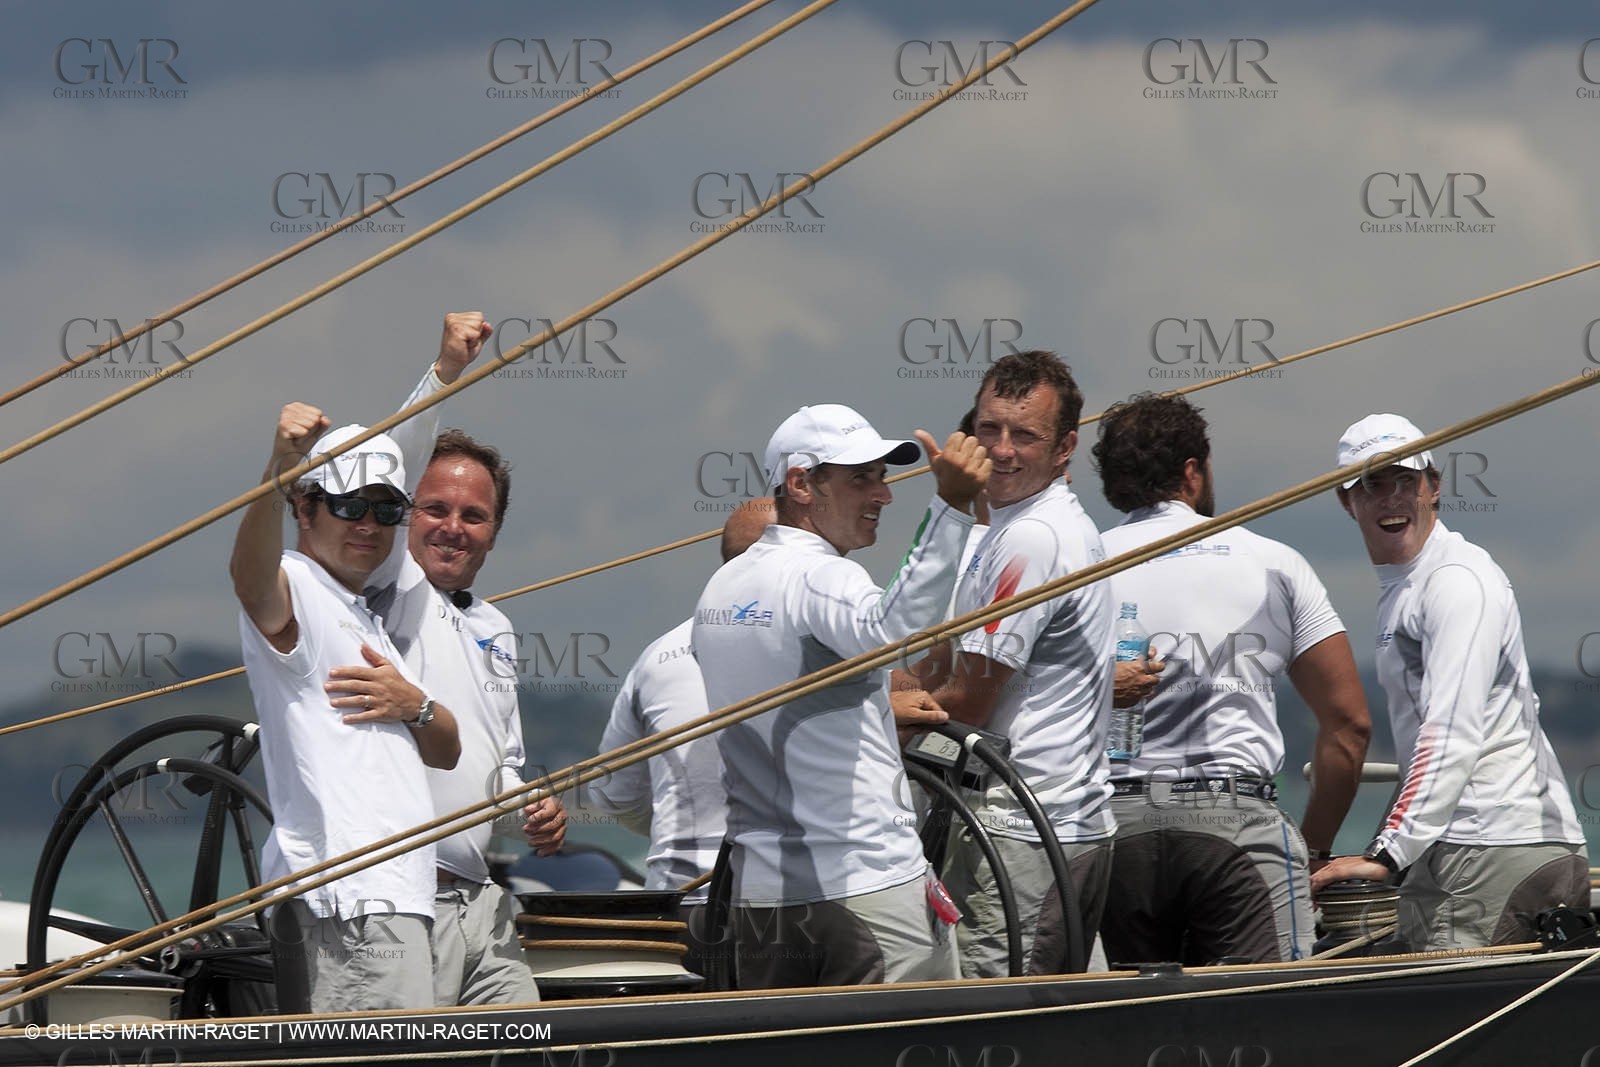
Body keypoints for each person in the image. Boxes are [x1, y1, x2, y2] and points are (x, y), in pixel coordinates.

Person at [693, 403, 989, 988]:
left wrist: (873, 707)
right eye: (862, 478)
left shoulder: (720, 589)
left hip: (763, 905)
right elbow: (897, 629)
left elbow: (791, 693)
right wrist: (950, 506)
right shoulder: (822, 576)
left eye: (881, 476)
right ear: (801, 484)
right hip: (867, 889)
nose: (882, 495)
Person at [1091, 392, 1371, 964]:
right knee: (1269, 1016)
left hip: (1112, 827)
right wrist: (1313, 849)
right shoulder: (1273, 562)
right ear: (1193, 472)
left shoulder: (1079, 564)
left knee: (1122, 1023)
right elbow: (1349, 727)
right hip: (1235, 822)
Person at [1311, 414, 1589, 949]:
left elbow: (1452, 732)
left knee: (1462, 1027)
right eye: (1371, 484)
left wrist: (1386, 854)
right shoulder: (1411, 585)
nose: (1390, 497)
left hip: (1486, 847)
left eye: (1404, 480)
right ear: (1347, 501)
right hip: (1504, 843)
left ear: (1434, 488)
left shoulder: (1455, 581)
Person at [361, 311, 568, 1006]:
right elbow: (394, 457)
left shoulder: (497, 627)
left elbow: (500, 763)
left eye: (473, 516)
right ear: (403, 517)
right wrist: (445, 370)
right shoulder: (390, 587)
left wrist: (531, 806)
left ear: (494, 534)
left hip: (482, 905)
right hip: (399, 903)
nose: (453, 526)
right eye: (434, 508)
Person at [231, 408, 461, 1014]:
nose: (369, 524)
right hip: (351, 899)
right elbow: (249, 578)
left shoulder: (368, 619)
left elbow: (447, 749)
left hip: (402, 897)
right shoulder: (294, 582)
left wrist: (417, 707)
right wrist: (278, 463)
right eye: (349, 505)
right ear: (303, 510)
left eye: (387, 510)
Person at [904, 350, 1116, 977]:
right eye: (989, 428)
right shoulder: (1004, 529)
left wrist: (855, 721)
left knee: (993, 1021)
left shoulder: (1032, 538)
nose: (1000, 450)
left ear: (1064, 449)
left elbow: (966, 704)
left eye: (1025, 435)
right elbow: (933, 658)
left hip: (1024, 831)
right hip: (1048, 825)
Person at [578, 497, 776, 978]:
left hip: (676, 906)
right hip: (784, 905)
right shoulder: (821, 645)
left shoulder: (657, 656)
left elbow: (613, 793)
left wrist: (673, 816)